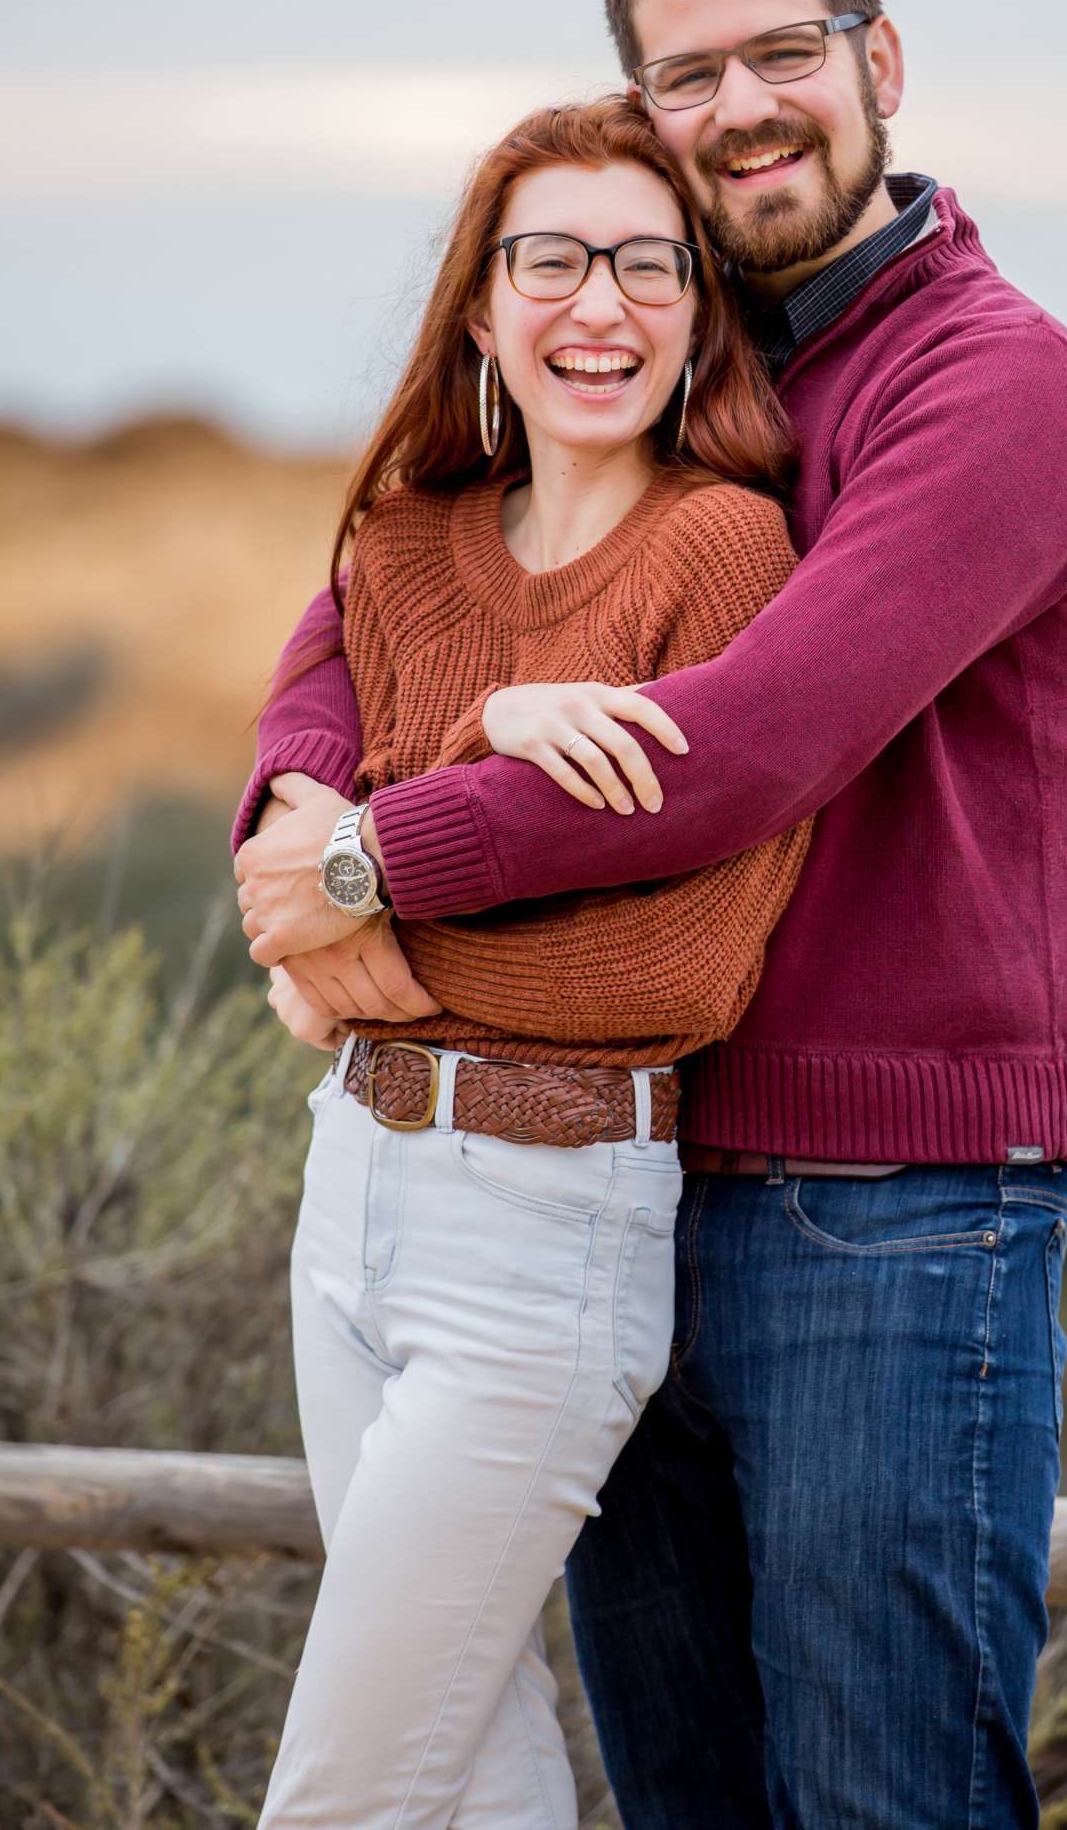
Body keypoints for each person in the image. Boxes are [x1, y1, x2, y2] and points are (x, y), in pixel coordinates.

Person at [234, 0, 1067, 1830]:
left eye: (779, 52)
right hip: (625, 1175)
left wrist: (375, 868)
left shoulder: (989, 385)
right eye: (683, 75)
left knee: (880, 1797)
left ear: (874, 62)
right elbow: (376, 592)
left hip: (891, 1207)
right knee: (683, 1798)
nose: (739, 106)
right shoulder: (676, 346)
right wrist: (287, 816)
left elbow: (737, 752)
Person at [246, 95, 812, 1830]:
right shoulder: (408, 543)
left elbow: (676, 963)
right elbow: (291, 831)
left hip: (547, 1240)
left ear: (697, 310)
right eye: (552, 260)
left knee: (342, 1795)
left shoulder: (725, 552)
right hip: (347, 1200)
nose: (602, 306)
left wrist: (360, 919)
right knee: (467, 1763)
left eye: (650, 265)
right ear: (482, 309)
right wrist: (476, 742)